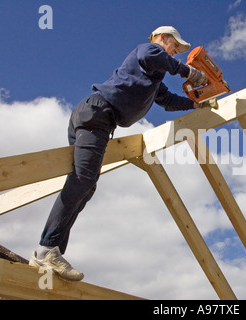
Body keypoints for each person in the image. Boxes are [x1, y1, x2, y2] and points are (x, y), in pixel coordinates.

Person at [29, 26, 208, 281]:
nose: (175, 53)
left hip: (97, 117)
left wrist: (196, 103)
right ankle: (46, 248)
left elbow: (168, 101)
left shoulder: (153, 79)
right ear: (163, 38)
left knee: (86, 186)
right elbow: (153, 55)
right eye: (175, 47)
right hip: (98, 113)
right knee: (84, 179)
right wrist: (188, 71)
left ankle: (52, 253)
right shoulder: (148, 50)